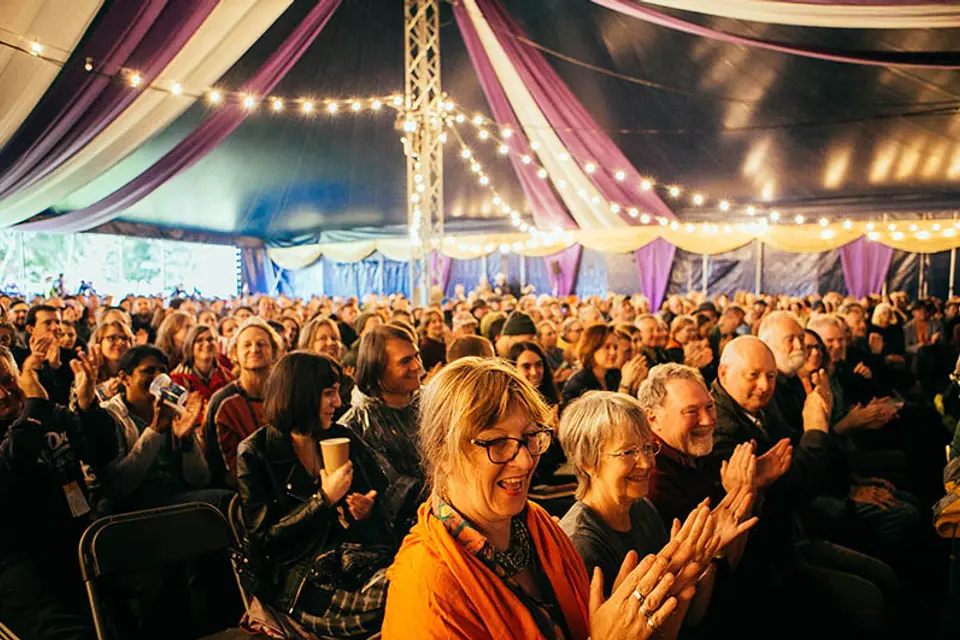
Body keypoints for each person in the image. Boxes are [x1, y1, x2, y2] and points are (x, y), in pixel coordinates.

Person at [383, 357, 683, 639]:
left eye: (529, 438)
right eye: (498, 442)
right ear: (444, 453)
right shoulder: (426, 587)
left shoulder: (535, 523)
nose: (525, 461)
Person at [710, 336, 898, 634]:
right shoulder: (720, 427)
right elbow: (796, 484)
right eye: (753, 375)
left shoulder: (759, 405)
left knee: (885, 576)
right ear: (723, 373)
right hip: (768, 560)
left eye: (770, 376)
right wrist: (816, 427)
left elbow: (795, 451)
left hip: (793, 535)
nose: (764, 385)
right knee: (869, 599)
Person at [558, 391, 756, 635]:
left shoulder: (641, 508)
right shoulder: (581, 545)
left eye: (647, 448)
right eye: (628, 452)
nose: (646, 463)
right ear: (588, 461)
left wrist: (706, 560)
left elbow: (691, 618)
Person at [237, 352, 396, 637]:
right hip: (304, 584)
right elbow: (263, 540)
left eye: (336, 392)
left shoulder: (340, 435)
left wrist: (365, 509)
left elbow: (378, 500)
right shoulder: (256, 452)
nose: (338, 402)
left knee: (423, 578)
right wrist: (323, 499)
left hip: (355, 562)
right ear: (300, 396)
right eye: (328, 394)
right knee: (402, 593)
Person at [0, 343, 115, 640]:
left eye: (6, 380)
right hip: (19, 559)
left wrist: (89, 406)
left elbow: (100, 452)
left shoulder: (50, 414)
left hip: (74, 538)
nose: (3, 393)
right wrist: (33, 411)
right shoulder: (37, 411)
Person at [90, 345, 232, 514]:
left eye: (163, 372)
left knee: (226, 500)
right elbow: (118, 487)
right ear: (124, 378)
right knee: (223, 500)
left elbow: (200, 480)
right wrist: (155, 431)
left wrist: (187, 441)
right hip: (134, 507)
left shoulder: (175, 413)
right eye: (148, 371)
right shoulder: (111, 416)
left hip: (176, 498)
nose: (158, 378)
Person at [205, 318, 280, 488]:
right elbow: (224, 469)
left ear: (274, 353)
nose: (254, 349)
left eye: (261, 344)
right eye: (247, 345)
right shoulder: (223, 402)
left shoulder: (285, 395)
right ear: (234, 354)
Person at [562, 325, 646, 406]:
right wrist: (625, 385)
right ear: (591, 348)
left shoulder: (614, 374)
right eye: (607, 347)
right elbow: (612, 416)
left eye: (615, 347)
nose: (613, 352)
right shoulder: (578, 384)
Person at [15, 305, 75, 406]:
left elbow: (67, 397)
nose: (55, 327)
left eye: (57, 322)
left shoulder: (71, 357)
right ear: (30, 329)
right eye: (47, 323)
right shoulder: (19, 357)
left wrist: (56, 367)